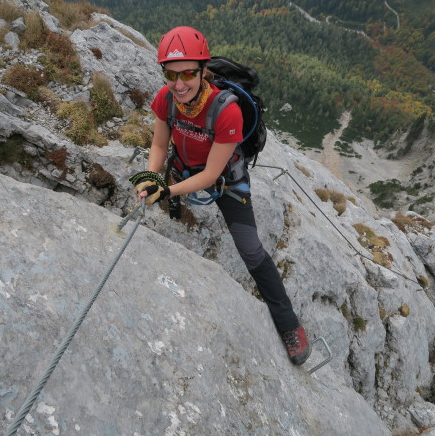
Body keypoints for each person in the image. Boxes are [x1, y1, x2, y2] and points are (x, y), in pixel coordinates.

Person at [129, 26, 311, 366]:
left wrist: (166, 190)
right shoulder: (165, 99)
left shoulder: (227, 111)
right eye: (171, 74)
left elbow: (212, 175)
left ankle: (289, 324)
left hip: (226, 181)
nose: (179, 84)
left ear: (202, 70)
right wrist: (151, 177)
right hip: (183, 169)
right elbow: (158, 145)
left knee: (251, 250)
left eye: (187, 74)